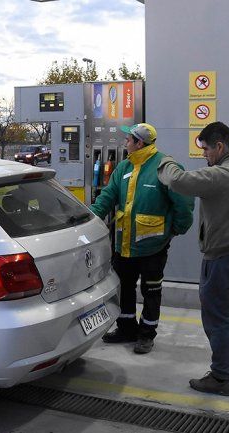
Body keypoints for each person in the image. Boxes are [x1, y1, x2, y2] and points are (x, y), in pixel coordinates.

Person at [157, 121, 229, 396]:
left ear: (219, 146)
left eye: (206, 149)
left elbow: (178, 181)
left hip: (224, 258)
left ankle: (220, 377)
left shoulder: (221, 174)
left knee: (218, 319)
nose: (204, 155)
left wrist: (165, 160)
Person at [90, 123, 194, 354]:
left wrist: (175, 229)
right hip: (124, 244)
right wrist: (88, 219)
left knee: (151, 290)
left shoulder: (165, 167)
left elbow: (184, 202)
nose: (124, 143)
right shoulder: (124, 167)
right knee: (123, 287)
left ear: (139, 143)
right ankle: (127, 328)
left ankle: (147, 334)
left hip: (153, 246)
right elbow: (106, 197)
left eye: (128, 140)